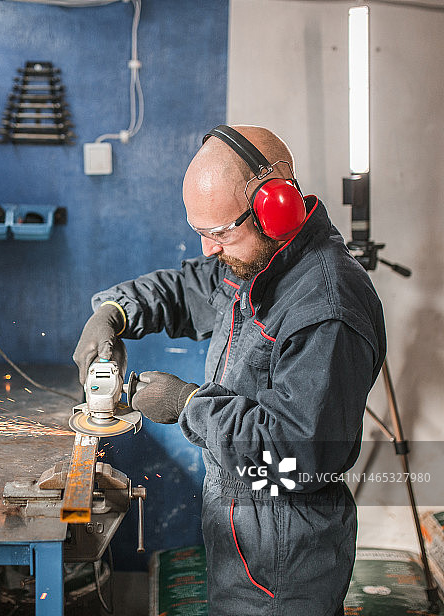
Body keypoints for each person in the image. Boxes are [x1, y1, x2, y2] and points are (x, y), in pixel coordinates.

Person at [73, 125, 386, 615]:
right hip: (242, 539)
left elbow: (295, 456)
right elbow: (185, 289)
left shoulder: (326, 309)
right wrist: (114, 312)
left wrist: (187, 406)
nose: (208, 249)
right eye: (201, 233)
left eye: (219, 233)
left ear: (275, 208)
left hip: (283, 566)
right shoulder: (254, 261)